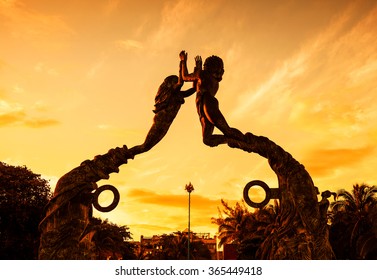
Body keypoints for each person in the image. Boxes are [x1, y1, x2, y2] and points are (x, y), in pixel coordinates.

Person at [129, 57, 197, 156]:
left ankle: (127, 153)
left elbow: (193, 89)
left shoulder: (178, 95)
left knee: (146, 147)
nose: (177, 83)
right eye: (175, 81)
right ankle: (125, 154)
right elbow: (181, 82)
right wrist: (183, 61)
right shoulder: (170, 92)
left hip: (166, 124)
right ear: (170, 84)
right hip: (161, 121)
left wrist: (197, 69)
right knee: (145, 146)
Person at [180, 50, 244, 147]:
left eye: (205, 65)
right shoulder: (206, 77)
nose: (204, 66)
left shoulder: (203, 75)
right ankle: (235, 140)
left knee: (227, 130)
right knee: (207, 139)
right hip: (202, 105)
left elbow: (185, 77)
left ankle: (246, 141)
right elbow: (194, 88)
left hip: (207, 102)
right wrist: (198, 68)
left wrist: (183, 61)